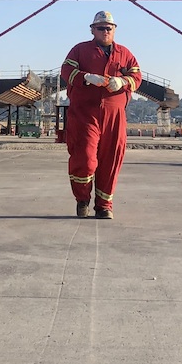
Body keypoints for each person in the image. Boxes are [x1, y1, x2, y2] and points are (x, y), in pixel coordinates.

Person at [61, 11, 142, 220]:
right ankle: (82, 199)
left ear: (114, 29)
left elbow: (136, 75)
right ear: (92, 30)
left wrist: (123, 81)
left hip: (114, 115)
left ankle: (104, 205)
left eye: (109, 28)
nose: (105, 31)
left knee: (111, 160)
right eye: (101, 28)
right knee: (86, 158)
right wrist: (86, 77)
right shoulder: (79, 50)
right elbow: (66, 70)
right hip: (86, 114)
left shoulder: (124, 53)